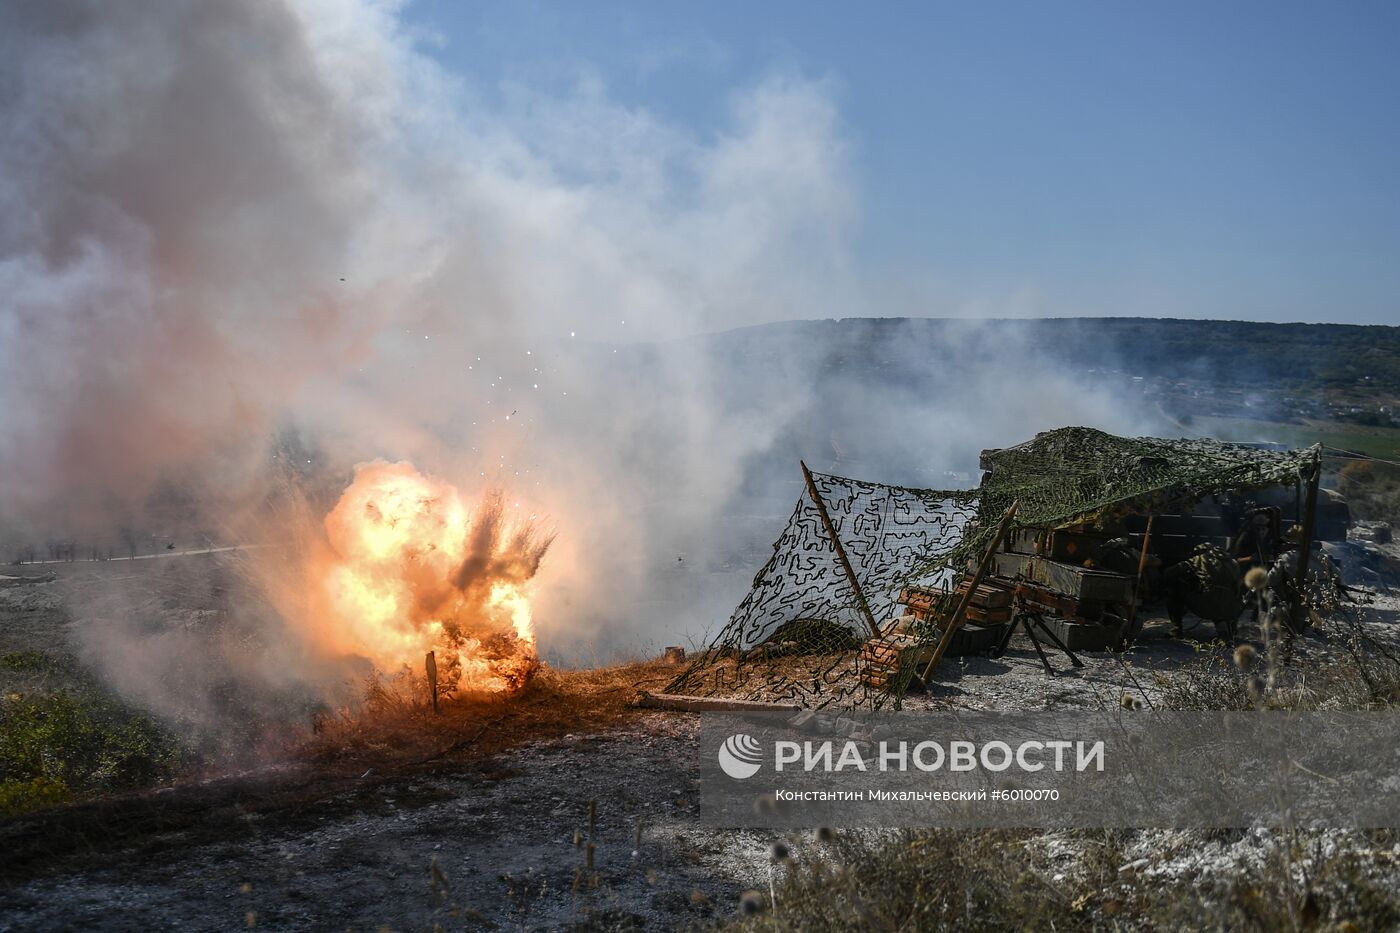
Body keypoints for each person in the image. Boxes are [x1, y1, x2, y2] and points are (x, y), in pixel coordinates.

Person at [1161, 542, 1244, 642]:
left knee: (1174, 589)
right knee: (1225, 596)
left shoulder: (1199, 559)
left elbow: (1169, 572)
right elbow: (1238, 588)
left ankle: (1176, 629)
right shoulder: (1233, 562)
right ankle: (1229, 629)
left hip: (1207, 606)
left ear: (1201, 551)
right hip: (1231, 609)